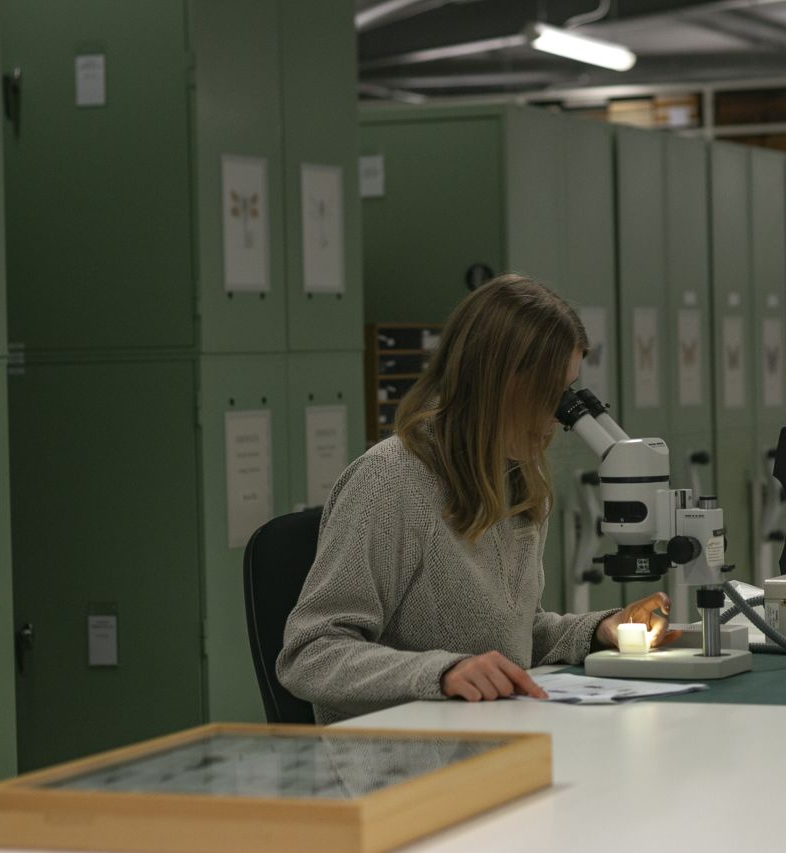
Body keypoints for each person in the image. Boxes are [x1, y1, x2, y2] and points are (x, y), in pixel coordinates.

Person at [277, 274, 680, 724]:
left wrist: (600, 630)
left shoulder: (517, 483)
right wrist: (443, 673)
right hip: (398, 763)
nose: (560, 416)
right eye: (551, 393)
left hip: (490, 739)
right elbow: (311, 654)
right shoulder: (390, 481)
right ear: (500, 383)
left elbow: (511, 639)